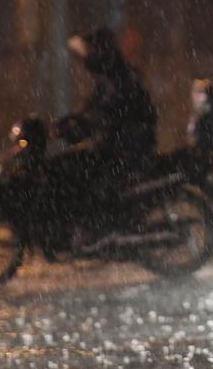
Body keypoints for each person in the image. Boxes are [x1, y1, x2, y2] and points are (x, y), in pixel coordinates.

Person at [46, 27, 158, 247]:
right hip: (117, 144)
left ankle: (97, 229)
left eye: (88, 54)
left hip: (128, 148)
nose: (84, 62)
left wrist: (78, 130)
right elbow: (91, 110)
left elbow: (106, 115)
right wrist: (63, 125)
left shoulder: (119, 78)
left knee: (84, 177)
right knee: (72, 166)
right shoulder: (108, 77)